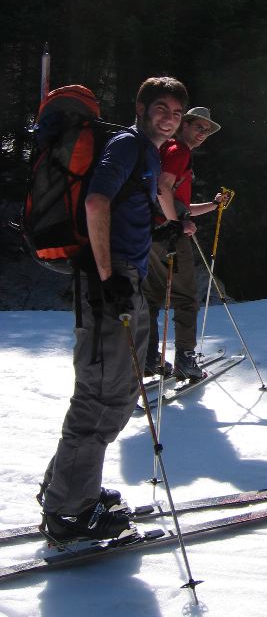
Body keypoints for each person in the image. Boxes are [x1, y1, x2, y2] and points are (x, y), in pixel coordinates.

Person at [39, 76, 189, 541]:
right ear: (141, 107)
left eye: (177, 113)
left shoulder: (144, 152)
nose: (169, 118)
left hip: (126, 279)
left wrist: (164, 227)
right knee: (101, 396)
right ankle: (69, 513)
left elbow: (125, 207)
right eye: (161, 108)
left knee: (120, 392)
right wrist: (107, 278)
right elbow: (98, 201)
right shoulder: (127, 144)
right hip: (112, 284)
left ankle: (67, 489)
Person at [143, 106, 226, 380]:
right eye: (198, 127)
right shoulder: (180, 151)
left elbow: (178, 203)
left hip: (151, 232)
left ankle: (149, 358)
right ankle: (185, 360)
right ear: (184, 125)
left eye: (206, 130)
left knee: (152, 296)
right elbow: (163, 189)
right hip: (169, 235)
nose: (202, 133)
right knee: (185, 298)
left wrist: (213, 206)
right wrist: (177, 223)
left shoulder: (167, 148)